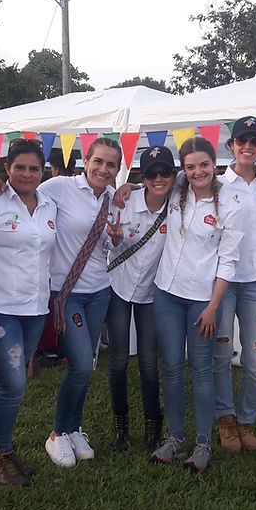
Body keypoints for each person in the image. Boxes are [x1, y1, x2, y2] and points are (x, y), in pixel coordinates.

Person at [151, 136, 243, 473]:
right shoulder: (177, 188)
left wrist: (213, 306)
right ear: (183, 169)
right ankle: (176, 438)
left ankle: (203, 444)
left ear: (214, 164)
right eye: (190, 167)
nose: (197, 172)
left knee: (202, 371)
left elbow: (228, 261)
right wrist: (126, 188)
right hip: (166, 293)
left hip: (203, 300)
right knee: (172, 367)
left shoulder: (230, 204)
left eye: (204, 164)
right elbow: (151, 184)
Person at [0, 138, 56, 486]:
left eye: (34, 168)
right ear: (6, 169)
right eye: (19, 167)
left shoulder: (50, 204)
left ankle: (5, 451)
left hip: (35, 308)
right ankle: (0, 454)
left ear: (43, 171)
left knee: (10, 381)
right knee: (13, 382)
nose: (27, 174)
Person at [40, 137, 120, 467]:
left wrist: (115, 239)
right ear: (85, 161)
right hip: (66, 291)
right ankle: (57, 433)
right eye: (98, 161)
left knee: (84, 366)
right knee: (83, 364)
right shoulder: (59, 187)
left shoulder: (114, 199)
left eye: (111, 164)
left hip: (99, 290)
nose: (103, 169)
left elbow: (109, 246)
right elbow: (23, 195)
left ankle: (74, 429)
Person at [212, 116, 256, 453]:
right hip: (223, 283)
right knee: (221, 354)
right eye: (242, 140)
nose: (248, 146)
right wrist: (130, 187)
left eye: (255, 141)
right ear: (231, 145)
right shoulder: (216, 185)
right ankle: (226, 419)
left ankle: (246, 420)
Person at [105, 146, 175, 453]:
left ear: (173, 175)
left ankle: (152, 429)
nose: (158, 179)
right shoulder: (124, 201)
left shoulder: (179, 202)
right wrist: (115, 239)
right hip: (118, 287)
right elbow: (109, 240)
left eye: (164, 172)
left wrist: (130, 183)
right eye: (150, 174)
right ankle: (120, 428)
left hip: (151, 292)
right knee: (118, 361)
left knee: (148, 362)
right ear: (142, 177)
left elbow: (203, 175)